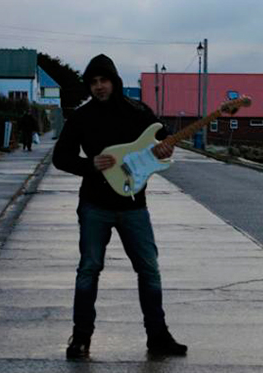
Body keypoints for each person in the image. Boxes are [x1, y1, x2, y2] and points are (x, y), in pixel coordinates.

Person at [53, 54, 188, 360]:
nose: (99, 87)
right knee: (89, 269)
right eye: (93, 82)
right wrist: (90, 165)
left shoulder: (138, 111)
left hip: (133, 205)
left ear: (114, 81)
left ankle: (158, 337)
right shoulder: (81, 117)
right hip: (94, 205)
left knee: (149, 270)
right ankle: (81, 338)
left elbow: (163, 146)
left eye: (104, 80)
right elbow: (60, 157)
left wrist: (166, 149)